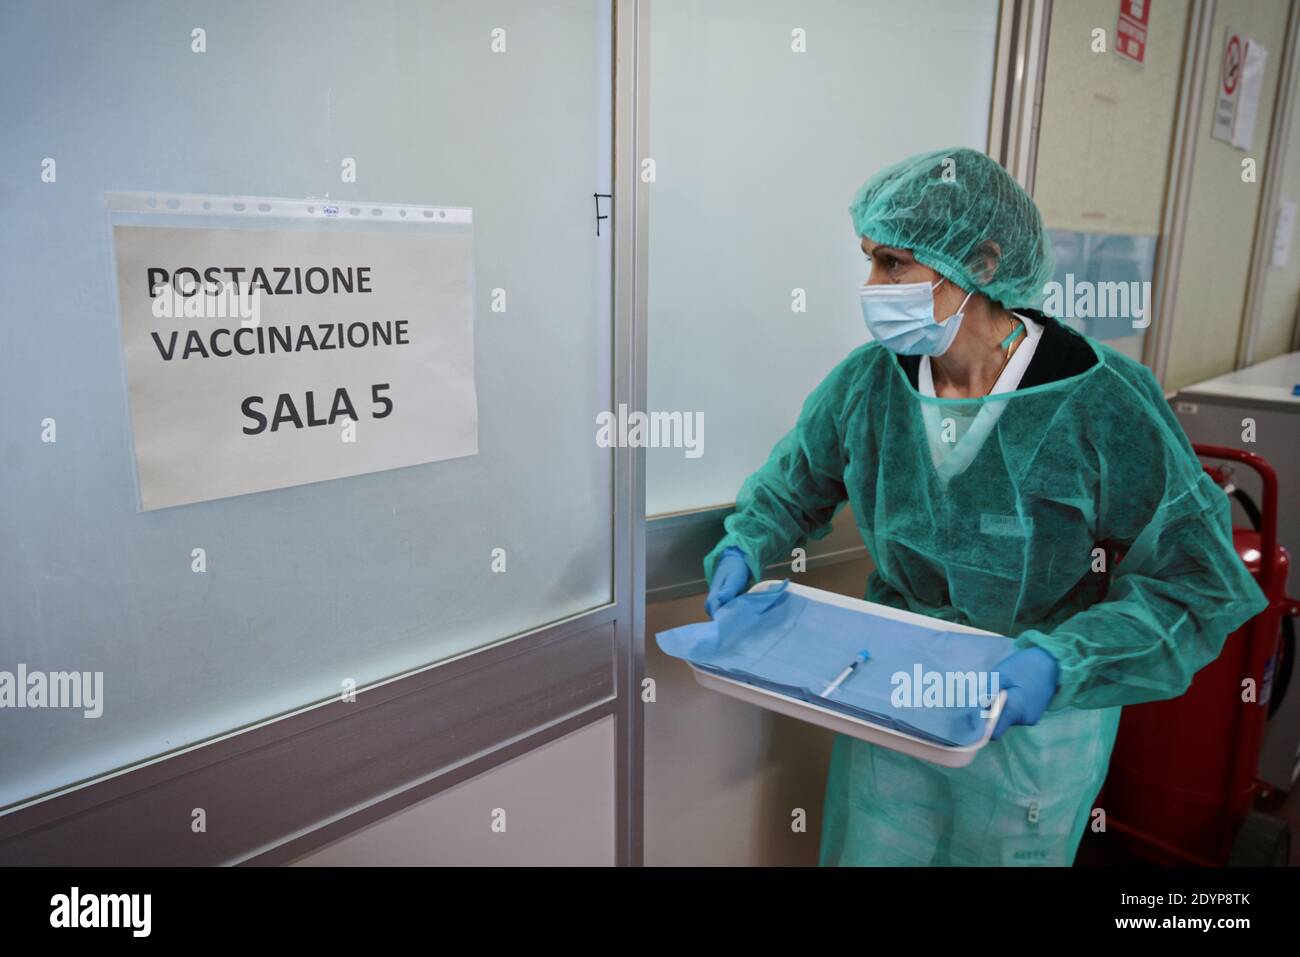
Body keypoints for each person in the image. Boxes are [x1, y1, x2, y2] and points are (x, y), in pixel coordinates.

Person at [703, 147, 1267, 866]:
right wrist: (746, 543)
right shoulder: (872, 383)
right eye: (870, 260)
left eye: (895, 264)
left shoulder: (1100, 399)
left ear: (985, 263)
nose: (873, 285)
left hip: (1032, 728)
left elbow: (1195, 579)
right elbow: (796, 482)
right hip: (894, 699)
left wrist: (1063, 661)